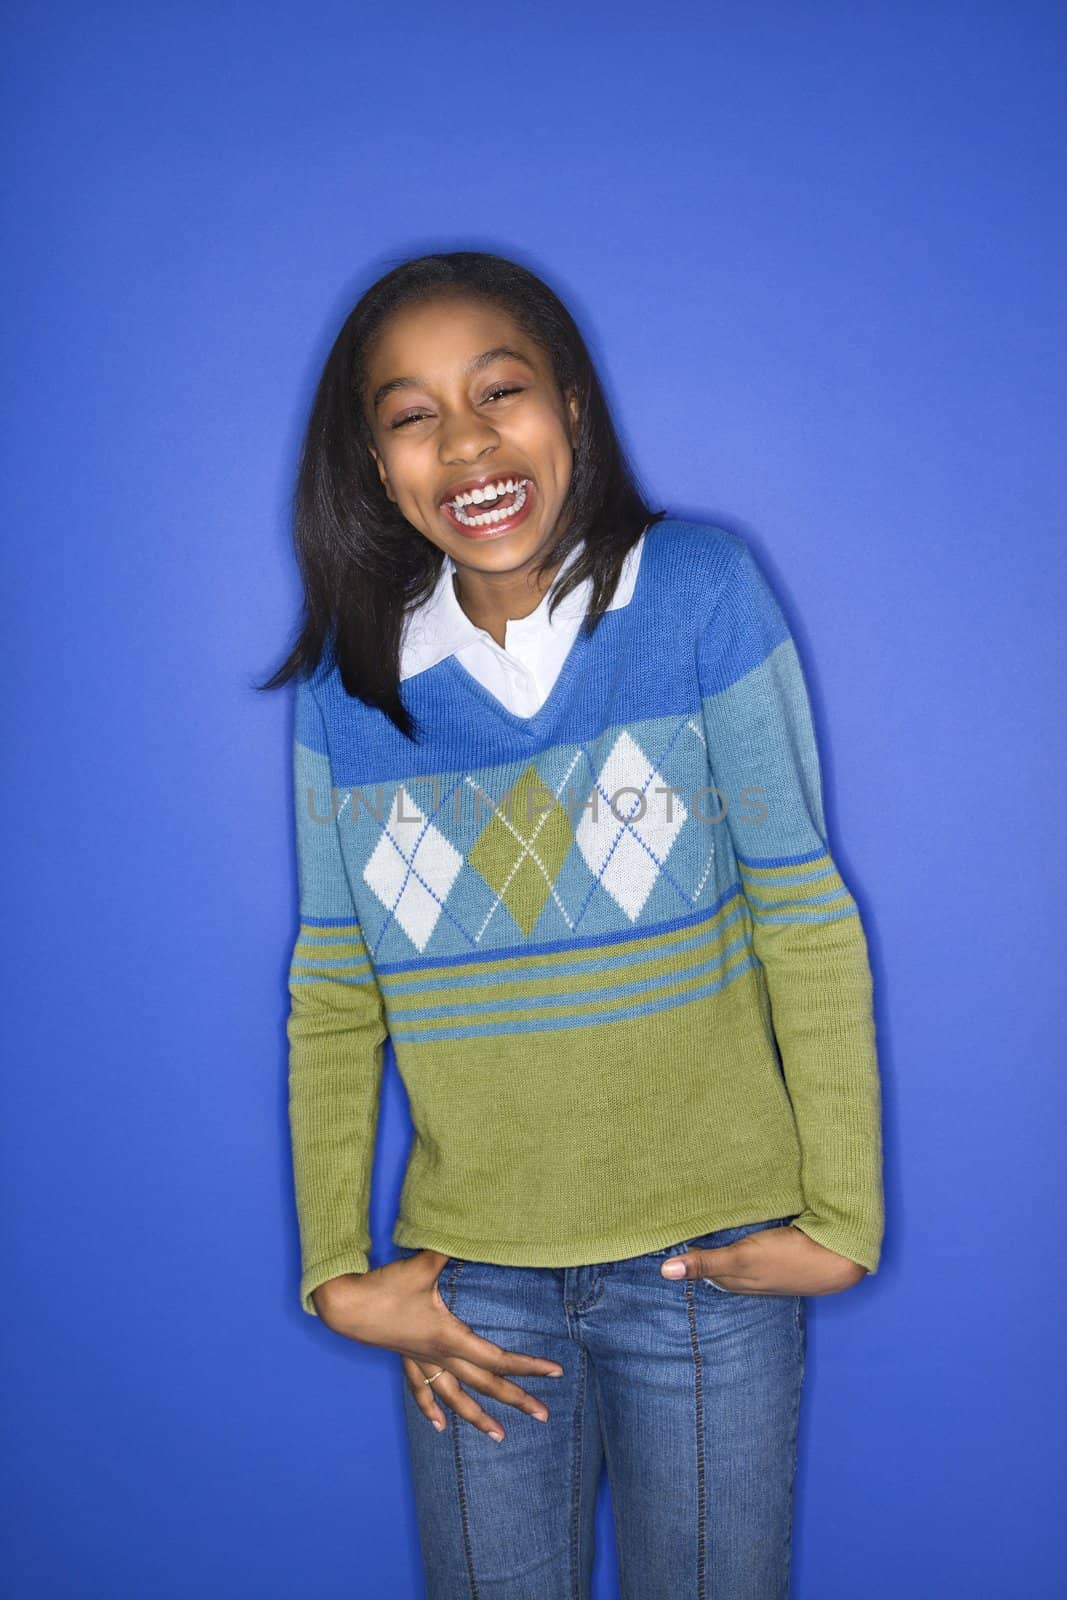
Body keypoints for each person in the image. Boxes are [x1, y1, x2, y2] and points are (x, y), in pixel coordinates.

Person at [260, 250, 885, 1599]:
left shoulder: (701, 593)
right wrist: (334, 1273)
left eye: (501, 390)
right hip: (474, 1288)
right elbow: (334, 989)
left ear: (575, 411)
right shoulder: (349, 693)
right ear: (374, 467)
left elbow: (803, 912)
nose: (468, 441)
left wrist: (843, 1212)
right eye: (412, 413)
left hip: (706, 1273)